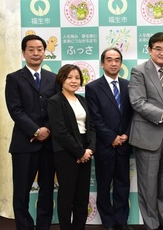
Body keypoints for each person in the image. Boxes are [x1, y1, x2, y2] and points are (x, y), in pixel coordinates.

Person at [128, 32, 163, 230]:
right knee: (148, 185)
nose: (162, 52)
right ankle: (151, 225)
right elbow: (137, 102)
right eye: (158, 48)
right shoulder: (138, 71)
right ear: (150, 50)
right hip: (147, 137)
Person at [5, 34, 60, 230]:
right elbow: (15, 110)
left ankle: (44, 226)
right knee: (21, 191)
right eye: (31, 49)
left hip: (49, 145)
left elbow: (58, 109)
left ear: (45, 53)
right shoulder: (13, 78)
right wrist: (36, 130)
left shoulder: (54, 79)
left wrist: (48, 129)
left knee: (47, 190)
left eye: (39, 49)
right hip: (24, 144)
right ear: (23, 52)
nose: (36, 53)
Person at [85, 48, 133, 230]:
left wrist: (126, 135)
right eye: (109, 60)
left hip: (124, 144)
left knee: (123, 186)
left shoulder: (128, 85)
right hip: (105, 145)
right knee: (104, 186)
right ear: (102, 63)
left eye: (117, 60)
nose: (114, 63)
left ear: (121, 63)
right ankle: (108, 223)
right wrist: (111, 137)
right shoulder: (93, 87)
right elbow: (95, 117)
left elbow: (132, 115)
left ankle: (122, 222)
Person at [47, 64, 96, 230]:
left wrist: (89, 150)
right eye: (69, 77)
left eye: (77, 78)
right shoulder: (55, 101)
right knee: (66, 195)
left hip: (85, 151)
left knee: (82, 196)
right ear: (61, 79)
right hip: (66, 152)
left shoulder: (82, 100)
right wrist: (79, 151)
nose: (74, 81)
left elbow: (91, 127)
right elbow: (60, 131)